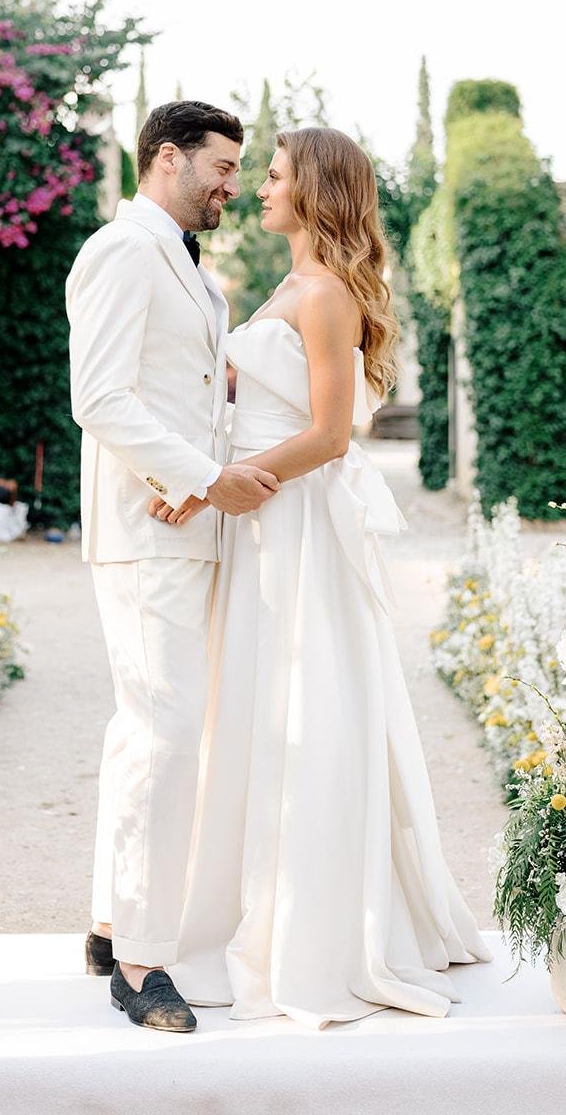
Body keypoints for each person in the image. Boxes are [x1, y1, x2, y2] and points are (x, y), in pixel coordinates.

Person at [161, 126, 489, 1027]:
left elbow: (333, 435)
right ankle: (244, 904)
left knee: (305, 703)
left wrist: (208, 488)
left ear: (316, 191)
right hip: (262, 517)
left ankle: (319, 928)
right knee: (258, 706)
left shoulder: (330, 294)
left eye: (272, 177)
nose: (257, 189)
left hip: (294, 518)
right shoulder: (287, 285)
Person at [66, 100, 279, 1034]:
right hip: (147, 531)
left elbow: (183, 395)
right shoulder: (123, 251)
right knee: (166, 733)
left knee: (140, 730)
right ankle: (144, 965)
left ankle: (113, 923)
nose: (233, 183)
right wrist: (204, 478)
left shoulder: (183, 260)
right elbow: (99, 396)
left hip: (176, 521)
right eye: (222, 166)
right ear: (166, 159)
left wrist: (199, 476)